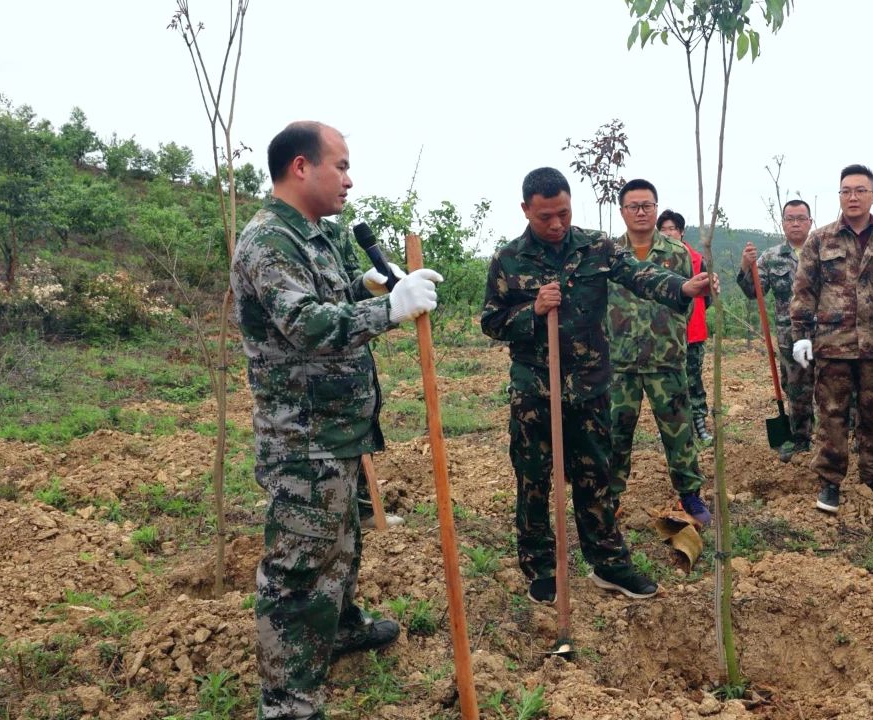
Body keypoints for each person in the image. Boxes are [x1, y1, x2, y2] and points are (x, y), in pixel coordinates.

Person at [231, 121, 443, 719]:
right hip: (302, 436)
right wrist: (389, 309)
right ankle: (289, 701)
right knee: (297, 568)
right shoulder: (269, 240)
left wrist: (367, 284)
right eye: (341, 166)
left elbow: (330, 298)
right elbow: (305, 322)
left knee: (341, 545)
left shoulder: (315, 235)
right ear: (302, 167)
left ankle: (342, 626)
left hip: (336, 429)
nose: (349, 179)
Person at [480, 168, 715, 604]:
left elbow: (639, 276)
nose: (556, 224)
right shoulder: (509, 260)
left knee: (597, 477)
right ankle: (541, 566)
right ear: (526, 210)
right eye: (545, 216)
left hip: (589, 387)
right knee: (533, 480)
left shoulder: (595, 246)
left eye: (564, 213)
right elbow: (491, 322)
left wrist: (683, 287)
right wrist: (532, 310)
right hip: (535, 391)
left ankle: (608, 562)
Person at [790, 165, 873, 511]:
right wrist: (800, 334)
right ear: (840, 197)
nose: (852, 196)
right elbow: (805, 288)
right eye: (846, 190)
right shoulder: (821, 239)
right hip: (833, 341)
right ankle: (830, 481)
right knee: (831, 412)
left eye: (860, 190)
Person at [608, 181, 712, 525]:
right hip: (619, 361)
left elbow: (690, 301)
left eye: (647, 205)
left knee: (678, 431)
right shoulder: (607, 255)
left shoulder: (678, 253)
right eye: (633, 206)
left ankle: (690, 495)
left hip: (666, 356)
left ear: (656, 208)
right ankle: (610, 496)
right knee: (614, 431)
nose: (641, 212)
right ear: (622, 211)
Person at [737, 199, 816, 462]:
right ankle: (800, 438)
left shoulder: (824, 251)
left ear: (810, 222)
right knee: (796, 388)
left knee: (835, 387)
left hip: (826, 333)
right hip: (789, 336)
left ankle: (836, 439)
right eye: (790, 218)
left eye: (801, 218)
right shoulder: (771, 257)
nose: (795, 223)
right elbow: (752, 292)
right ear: (782, 223)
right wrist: (746, 266)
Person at [659, 209, 714, 445]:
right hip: (664, 332)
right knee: (668, 381)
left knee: (693, 378)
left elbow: (708, 296)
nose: (668, 233)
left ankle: (700, 423)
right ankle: (674, 428)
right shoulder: (655, 260)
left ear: (681, 232)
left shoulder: (697, 259)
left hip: (693, 330)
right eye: (663, 230)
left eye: (672, 229)